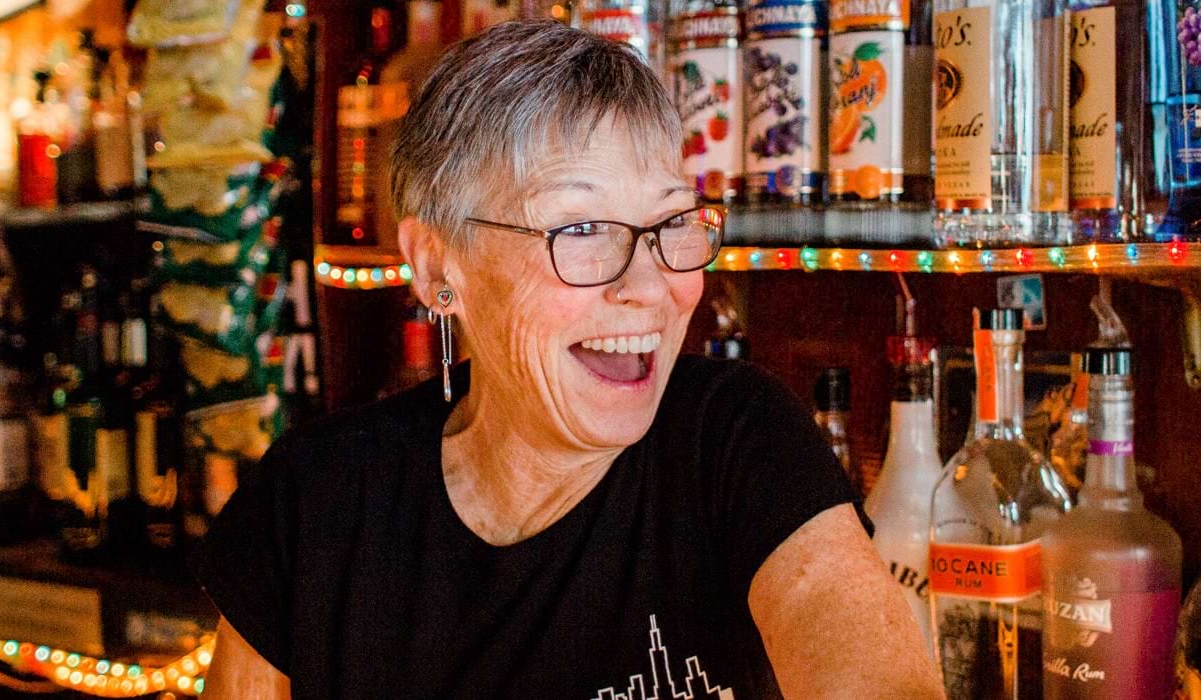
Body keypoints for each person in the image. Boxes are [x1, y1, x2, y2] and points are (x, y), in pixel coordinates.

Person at [200, 20, 940, 699]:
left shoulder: (736, 441)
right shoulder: (317, 504)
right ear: (436, 267)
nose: (650, 288)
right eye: (582, 227)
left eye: (671, 221)